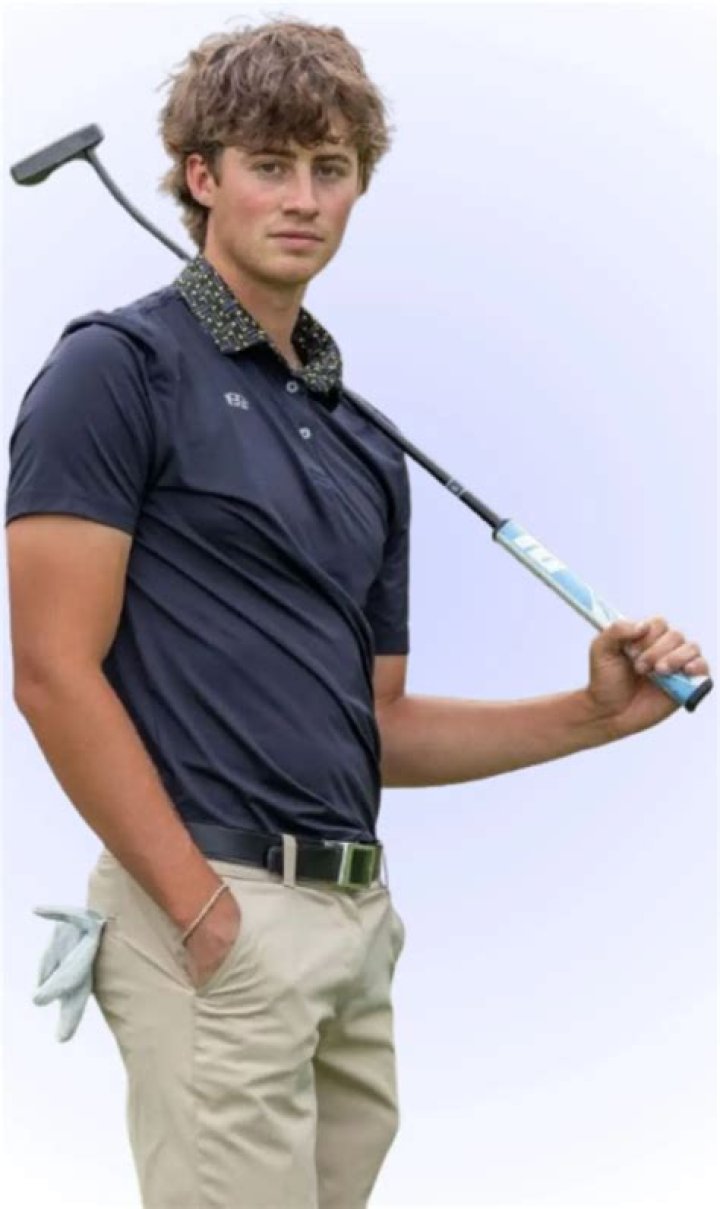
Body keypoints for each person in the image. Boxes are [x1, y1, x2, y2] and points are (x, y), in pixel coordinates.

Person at [4, 18, 710, 1209]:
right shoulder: (117, 372)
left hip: (353, 926)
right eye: (270, 164)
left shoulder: (361, 442)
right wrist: (200, 910)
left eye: (330, 169)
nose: (302, 198)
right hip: (215, 908)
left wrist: (597, 715)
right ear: (201, 177)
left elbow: (375, 724)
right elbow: (51, 671)